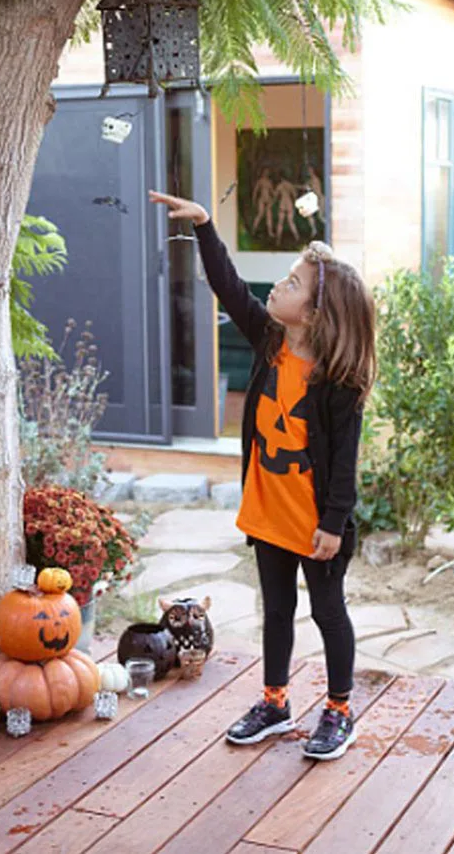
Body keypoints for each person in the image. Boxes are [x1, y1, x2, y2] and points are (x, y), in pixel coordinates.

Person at [148, 189, 376, 761]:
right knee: (275, 612)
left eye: (292, 283)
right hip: (269, 512)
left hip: (315, 525)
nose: (278, 286)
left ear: (315, 315)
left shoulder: (337, 380)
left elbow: (344, 462)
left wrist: (334, 523)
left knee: (327, 612)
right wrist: (205, 226)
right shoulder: (269, 342)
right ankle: (275, 703)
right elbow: (229, 286)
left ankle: (339, 710)